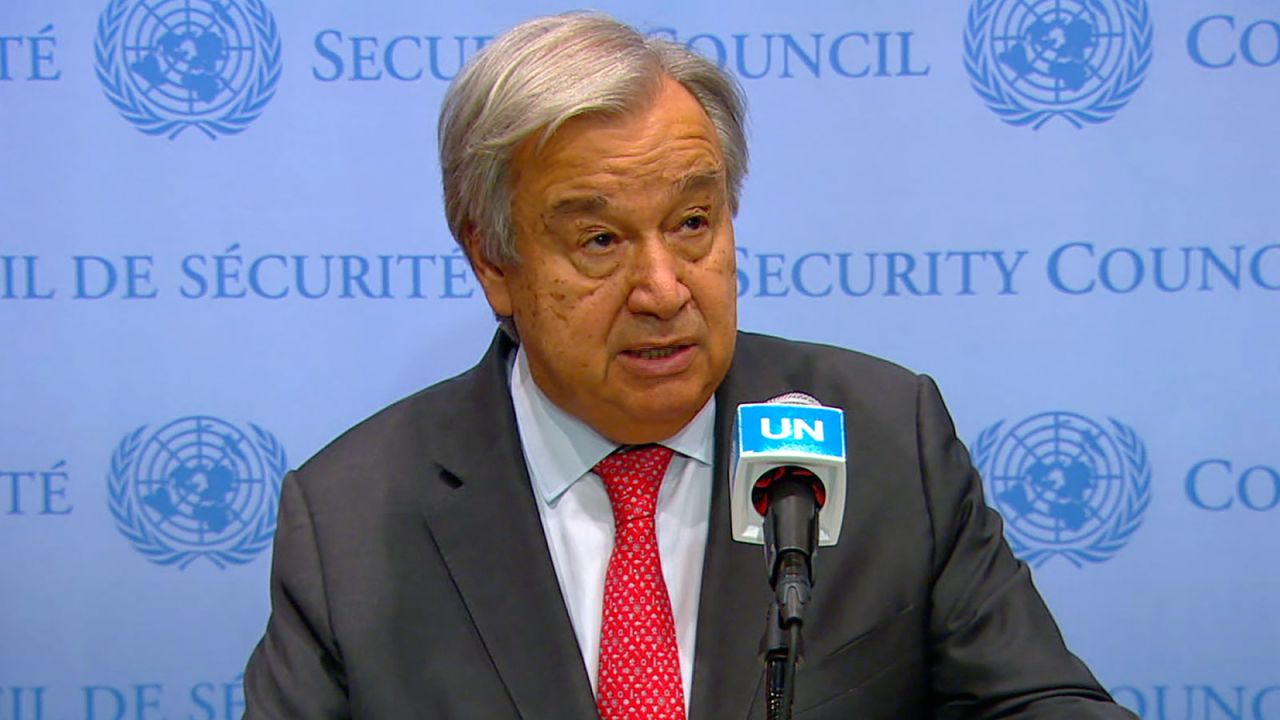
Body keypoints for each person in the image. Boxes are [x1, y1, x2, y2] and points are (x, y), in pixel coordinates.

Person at [244, 12, 1136, 719]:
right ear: (492, 261)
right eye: (599, 240)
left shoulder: (885, 437)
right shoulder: (353, 524)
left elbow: (1040, 703)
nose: (664, 288)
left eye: (693, 223)